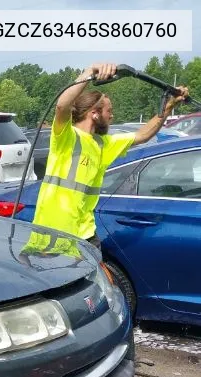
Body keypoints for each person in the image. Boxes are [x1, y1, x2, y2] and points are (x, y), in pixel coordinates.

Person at [32, 62, 189, 250]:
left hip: (85, 235)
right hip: (53, 235)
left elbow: (143, 135)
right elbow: (62, 106)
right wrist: (89, 72)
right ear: (95, 114)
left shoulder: (104, 144)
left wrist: (170, 105)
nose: (112, 116)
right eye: (109, 111)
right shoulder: (67, 136)